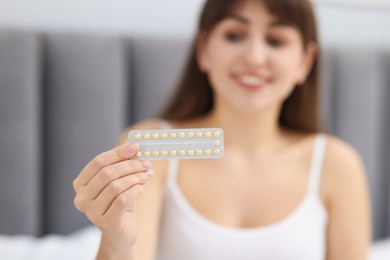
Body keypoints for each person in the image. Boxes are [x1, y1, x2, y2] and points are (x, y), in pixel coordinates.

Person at [73, 0, 371, 259]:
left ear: (305, 62)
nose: (254, 57)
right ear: (203, 50)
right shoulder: (152, 149)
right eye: (234, 35)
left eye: (276, 40)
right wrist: (117, 241)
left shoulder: (337, 164)